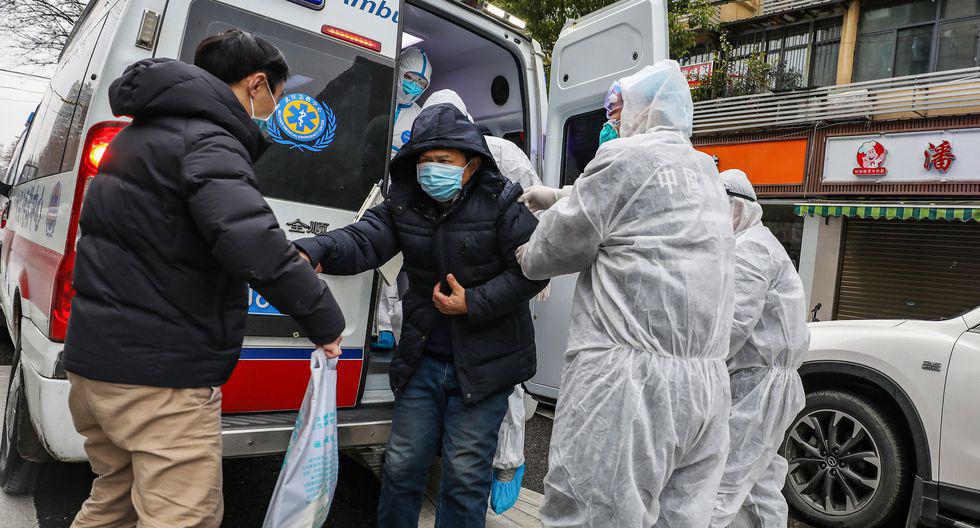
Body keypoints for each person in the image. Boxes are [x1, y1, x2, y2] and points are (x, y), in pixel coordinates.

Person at [62, 31, 346, 528]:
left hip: (97, 368)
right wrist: (325, 320)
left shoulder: (139, 135)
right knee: (183, 517)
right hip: (159, 378)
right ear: (257, 84)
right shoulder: (208, 140)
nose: (272, 110)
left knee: (115, 501)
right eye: (275, 98)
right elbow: (254, 243)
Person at [294, 103, 547, 528]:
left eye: (443, 162)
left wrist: (475, 301)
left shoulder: (502, 202)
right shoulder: (406, 202)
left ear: (470, 165)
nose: (432, 171)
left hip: (486, 365)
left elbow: (533, 271)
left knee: (465, 479)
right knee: (400, 467)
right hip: (423, 359)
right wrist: (316, 250)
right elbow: (364, 238)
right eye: (424, 161)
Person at [517, 60, 735, 527]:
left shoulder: (623, 159)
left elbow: (551, 252)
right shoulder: (706, 174)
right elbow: (640, 212)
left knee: (591, 513)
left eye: (617, 113)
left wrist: (523, 246)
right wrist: (560, 195)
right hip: (705, 390)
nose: (611, 124)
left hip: (629, 386)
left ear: (643, 111)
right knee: (677, 518)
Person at [420, 89, 540, 514]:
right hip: (454, 292)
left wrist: (492, 292)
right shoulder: (426, 159)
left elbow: (531, 228)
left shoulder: (504, 155)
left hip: (503, 281)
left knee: (500, 382)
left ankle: (508, 464)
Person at [710, 169, 810, 528]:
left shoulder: (749, 250)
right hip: (767, 383)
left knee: (721, 482)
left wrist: (696, 364)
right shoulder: (762, 243)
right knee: (760, 481)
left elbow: (733, 326)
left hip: (757, 386)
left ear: (738, 208)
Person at [372, 46, 434, 353]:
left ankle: (385, 328)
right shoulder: (375, 97)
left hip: (396, 197)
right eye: (410, 77)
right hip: (364, 190)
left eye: (421, 84)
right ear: (399, 72)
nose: (414, 86)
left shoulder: (419, 117)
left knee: (388, 263)